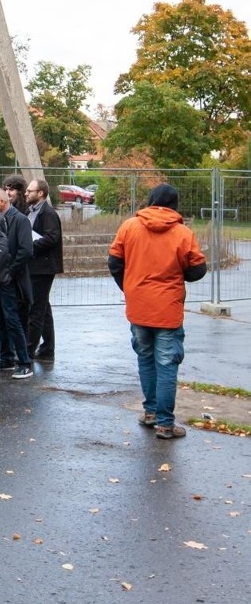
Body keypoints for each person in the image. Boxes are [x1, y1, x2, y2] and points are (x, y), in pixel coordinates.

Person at [108, 184, 207, 439]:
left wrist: (129, 286)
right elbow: (198, 269)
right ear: (174, 204)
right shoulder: (183, 233)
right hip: (167, 309)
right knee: (166, 364)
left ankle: (150, 412)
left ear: (150, 201)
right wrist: (177, 274)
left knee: (145, 357)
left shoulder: (129, 226)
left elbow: (114, 262)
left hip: (138, 306)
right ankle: (165, 423)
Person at [0, 187, 34, 379]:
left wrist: (9, 272)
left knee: (12, 319)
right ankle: (7, 357)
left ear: (1, 202)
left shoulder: (20, 220)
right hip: (2, 278)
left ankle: (24, 362)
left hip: (12, 279)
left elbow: (25, 251)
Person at [25, 178, 63, 360]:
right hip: (34, 266)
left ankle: (28, 351)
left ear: (40, 193)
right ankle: (47, 348)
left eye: (30, 191)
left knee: (36, 309)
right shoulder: (30, 211)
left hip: (43, 267)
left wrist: (30, 246)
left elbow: (52, 237)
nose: (26, 193)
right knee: (43, 308)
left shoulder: (47, 213)